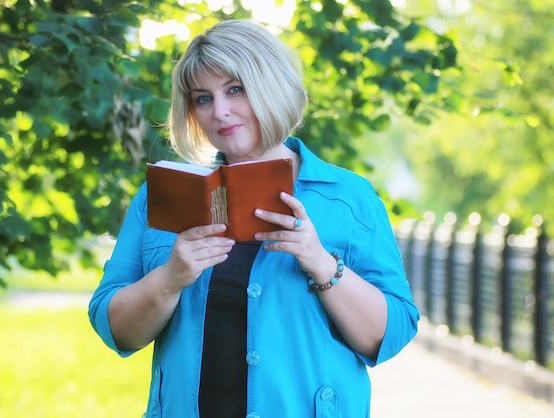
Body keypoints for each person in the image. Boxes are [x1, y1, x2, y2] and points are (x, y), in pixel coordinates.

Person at [88, 19, 419, 418]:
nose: (219, 112)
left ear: (270, 87)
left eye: (235, 89)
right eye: (202, 98)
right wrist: (169, 279)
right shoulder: (163, 196)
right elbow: (115, 328)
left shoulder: (348, 198)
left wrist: (322, 263)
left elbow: (390, 334)